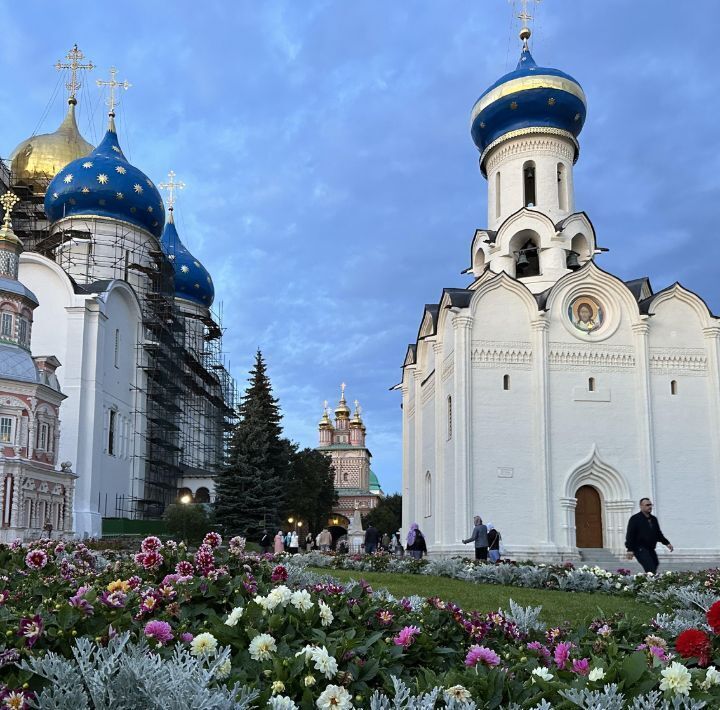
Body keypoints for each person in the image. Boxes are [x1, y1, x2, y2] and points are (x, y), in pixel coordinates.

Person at [625, 498, 673, 573]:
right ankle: (651, 582)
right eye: (647, 505)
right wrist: (630, 549)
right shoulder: (635, 519)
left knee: (655, 563)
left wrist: (667, 543)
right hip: (639, 548)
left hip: (650, 548)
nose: (650, 507)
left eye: (650, 505)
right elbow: (630, 535)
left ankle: (648, 581)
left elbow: (658, 534)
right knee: (650, 567)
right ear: (641, 506)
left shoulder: (653, 519)